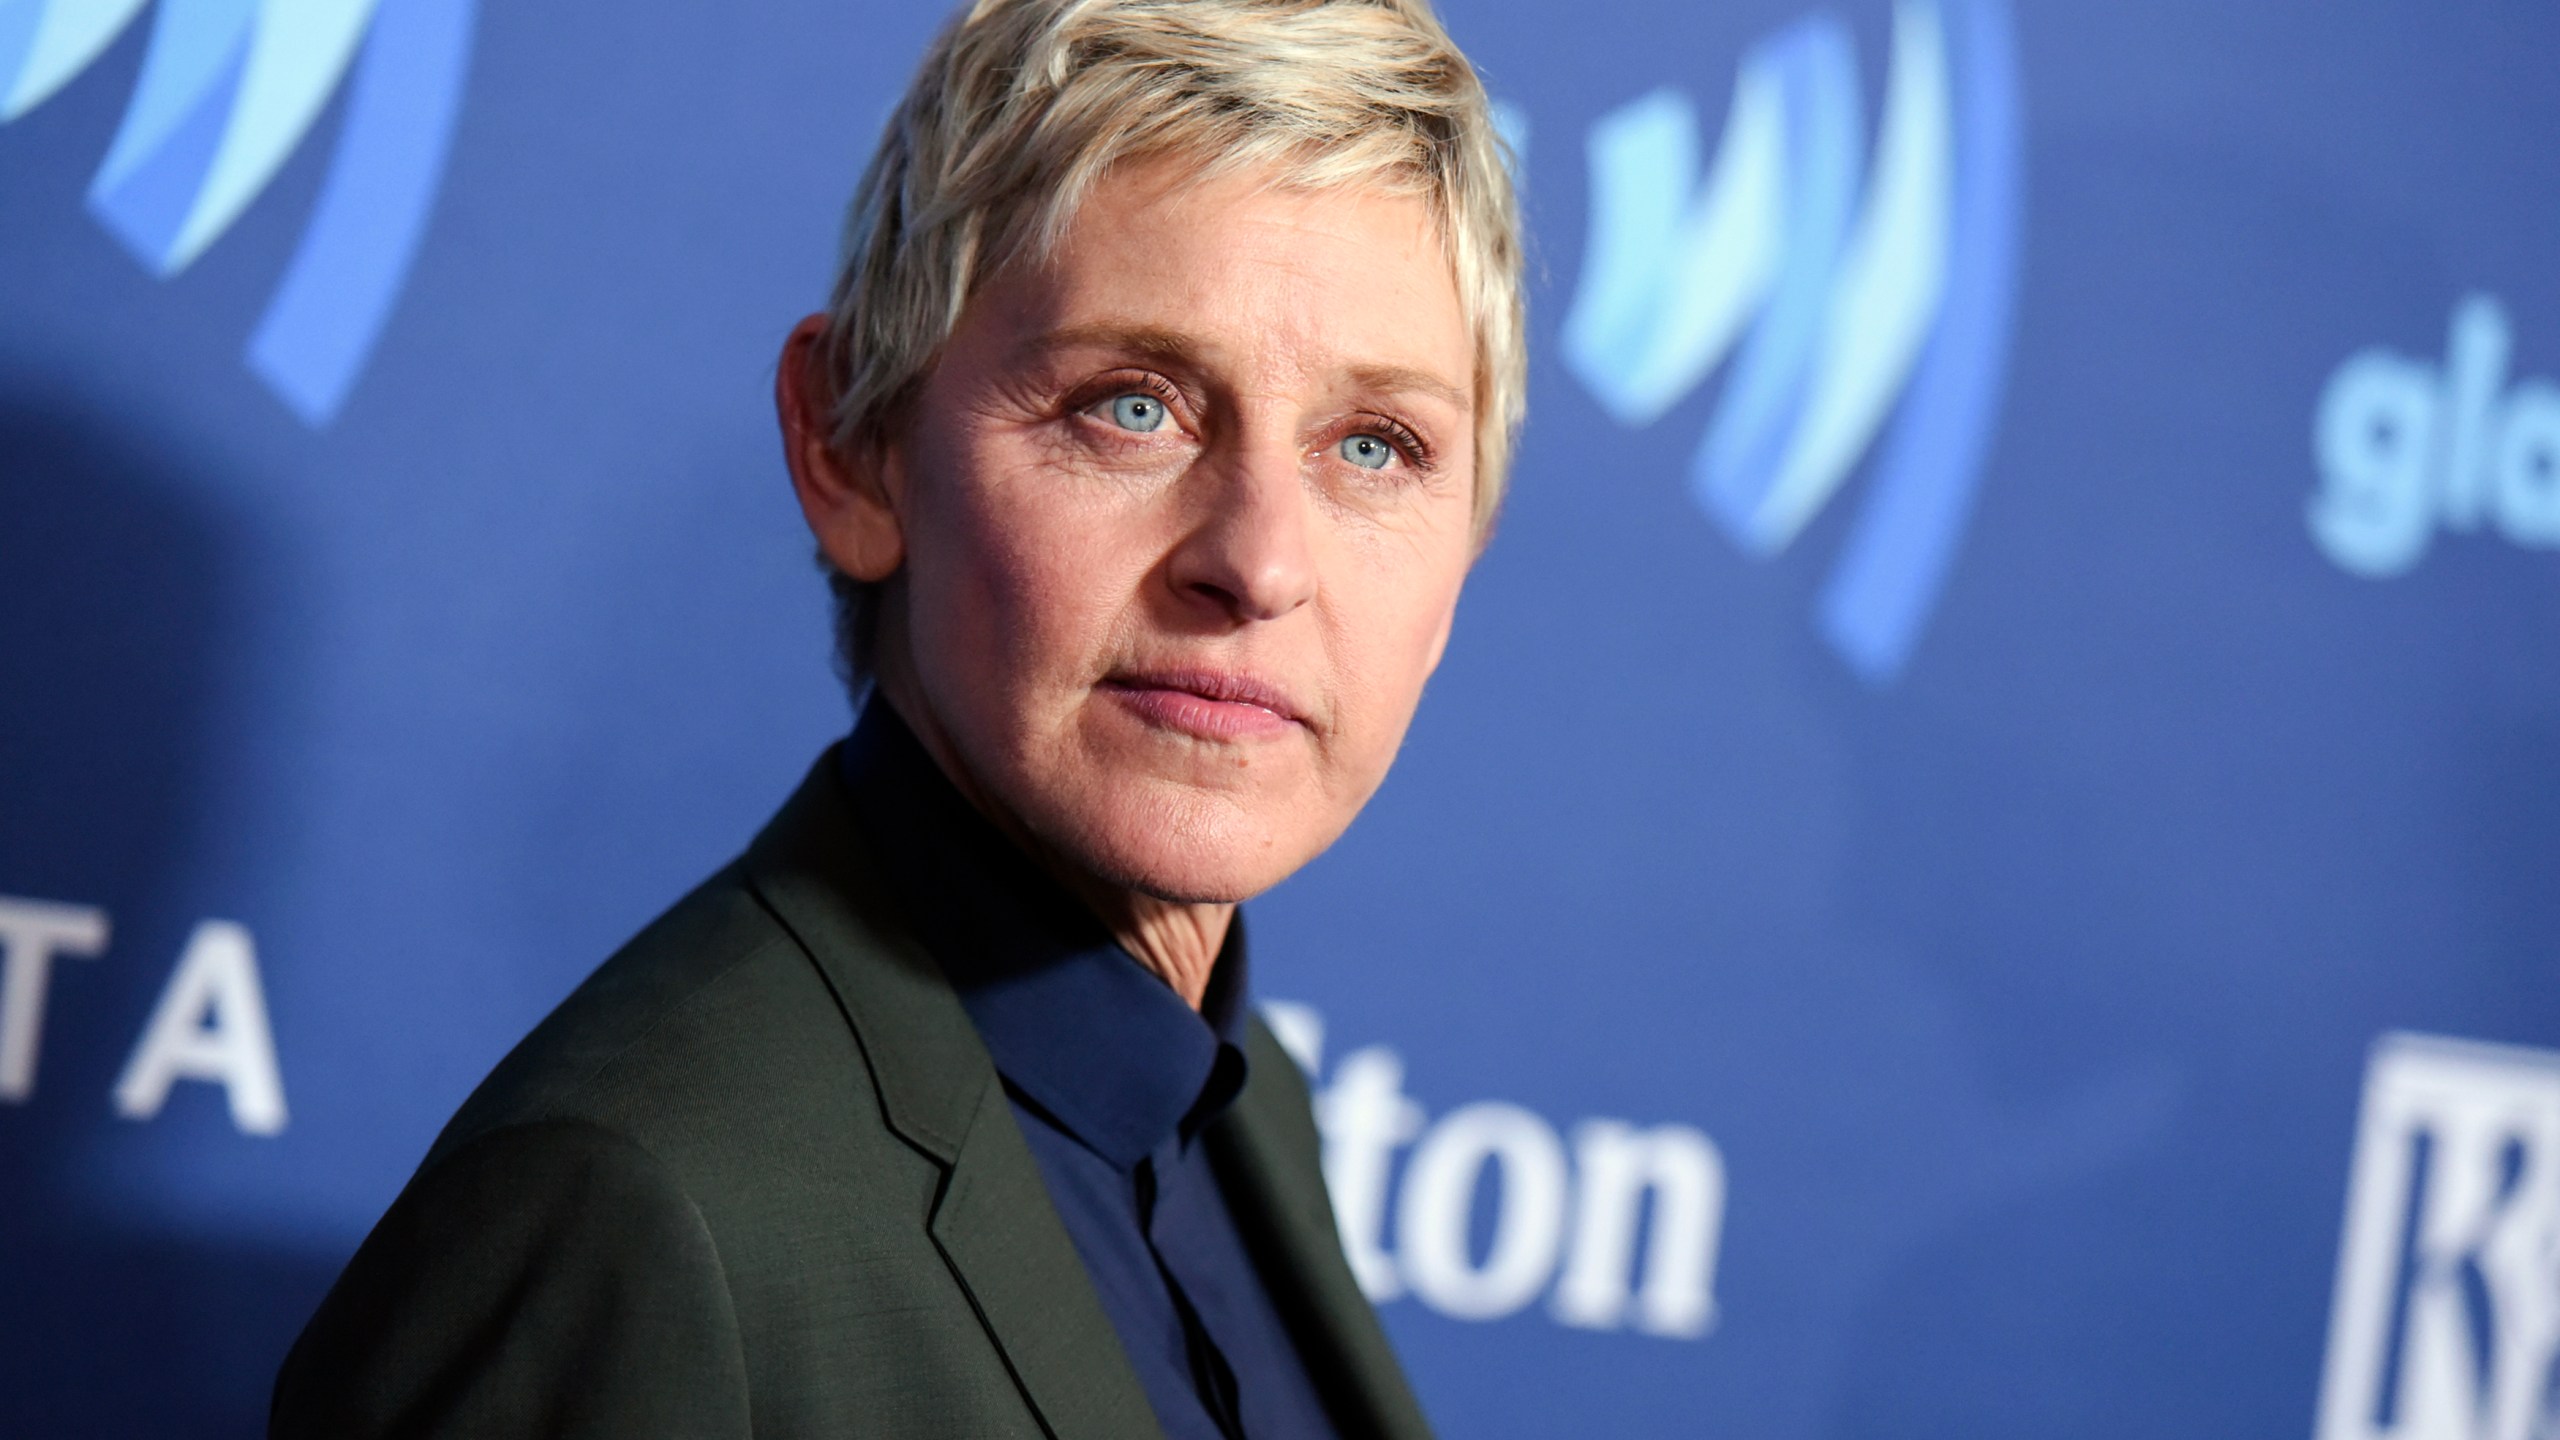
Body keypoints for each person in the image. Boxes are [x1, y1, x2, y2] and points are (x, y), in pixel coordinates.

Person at [270, 0, 1524, 1434]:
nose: (1260, 562)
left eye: (1377, 446)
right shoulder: (628, 1214)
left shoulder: (1249, 1108)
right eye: (1133, 408)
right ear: (854, 449)